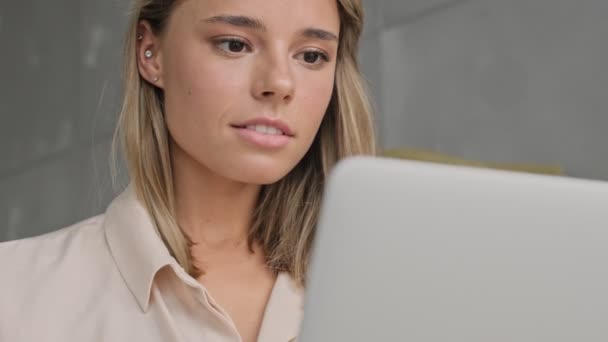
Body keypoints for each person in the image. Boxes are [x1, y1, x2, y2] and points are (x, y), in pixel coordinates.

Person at [0, 0, 375, 340]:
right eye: (234, 44)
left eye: (311, 56)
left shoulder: (382, 291)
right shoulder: (14, 291)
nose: (278, 83)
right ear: (151, 53)